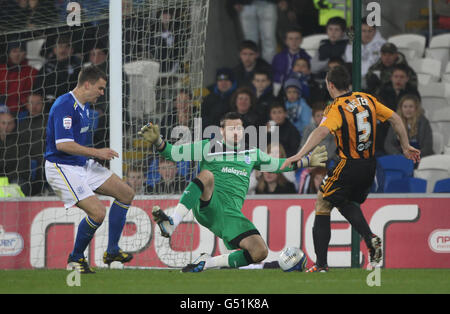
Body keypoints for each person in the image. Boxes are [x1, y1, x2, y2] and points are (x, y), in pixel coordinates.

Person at [138, 111, 327, 272]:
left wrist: (307, 161)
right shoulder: (207, 146)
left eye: (238, 128)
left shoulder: (252, 153)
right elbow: (172, 153)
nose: (236, 132)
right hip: (208, 204)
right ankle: (172, 222)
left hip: (231, 215)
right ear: (222, 131)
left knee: (259, 251)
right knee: (207, 175)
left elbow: (280, 165)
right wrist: (158, 141)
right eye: (231, 128)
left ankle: (207, 262)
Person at [281, 65, 420, 272]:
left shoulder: (337, 107)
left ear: (331, 85)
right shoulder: (368, 99)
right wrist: (405, 145)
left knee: (323, 201)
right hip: (370, 165)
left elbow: (321, 132)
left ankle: (323, 265)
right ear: (349, 84)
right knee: (340, 200)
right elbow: (396, 119)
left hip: (348, 164)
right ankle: (368, 240)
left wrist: (300, 154)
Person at [44, 65, 135, 273]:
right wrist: (98, 152)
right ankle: (76, 259)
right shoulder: (64, 105)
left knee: (126, 193)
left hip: (81, 164)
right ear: (87, 84)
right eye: (100, 88)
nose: (102, 93)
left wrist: (92, 156)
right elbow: (63, 144)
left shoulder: (85, 106)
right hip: (62, 167)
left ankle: (112, 250)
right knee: (98, 213)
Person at [376, 64, 421, 154]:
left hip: (406, 123)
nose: (398, 79)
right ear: (391, 78)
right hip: (386, 125)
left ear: (407, 79)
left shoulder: (413, 92)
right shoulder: (383, 91)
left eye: (401, 77)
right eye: (396, 76)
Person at [33, 35, 82, 108]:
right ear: (54, 49)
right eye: (60, 46)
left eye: (67, 47)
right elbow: (38, 87)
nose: (63, 50)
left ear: (72, 50)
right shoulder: (47, 67)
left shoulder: (77, 67)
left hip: (69, 104)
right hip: (46, 105)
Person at [17, 91, 48, 196]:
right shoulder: (21, 125)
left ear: (43, 104)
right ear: (26, 105)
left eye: (38, 103)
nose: (34, 107)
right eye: (31, 103)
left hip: (46, 160)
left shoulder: (50, 121)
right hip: (27, 162)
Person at [0, 41, 38, 114]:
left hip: (21, 111)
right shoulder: (1, 69)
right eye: (14, 51)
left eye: (21, 51)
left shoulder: (32, 71)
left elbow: (31, 94)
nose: (17, 55)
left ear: (25, 53)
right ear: (9, 53)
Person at [271, 26, 311, 94]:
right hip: (279, 88)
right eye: (290, 39)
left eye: (297, 39)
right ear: (286, 41)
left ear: (301, 40)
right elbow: (272, 74)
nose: (294, 42)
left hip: (299, 89)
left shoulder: (307, 57)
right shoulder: (278, 57)